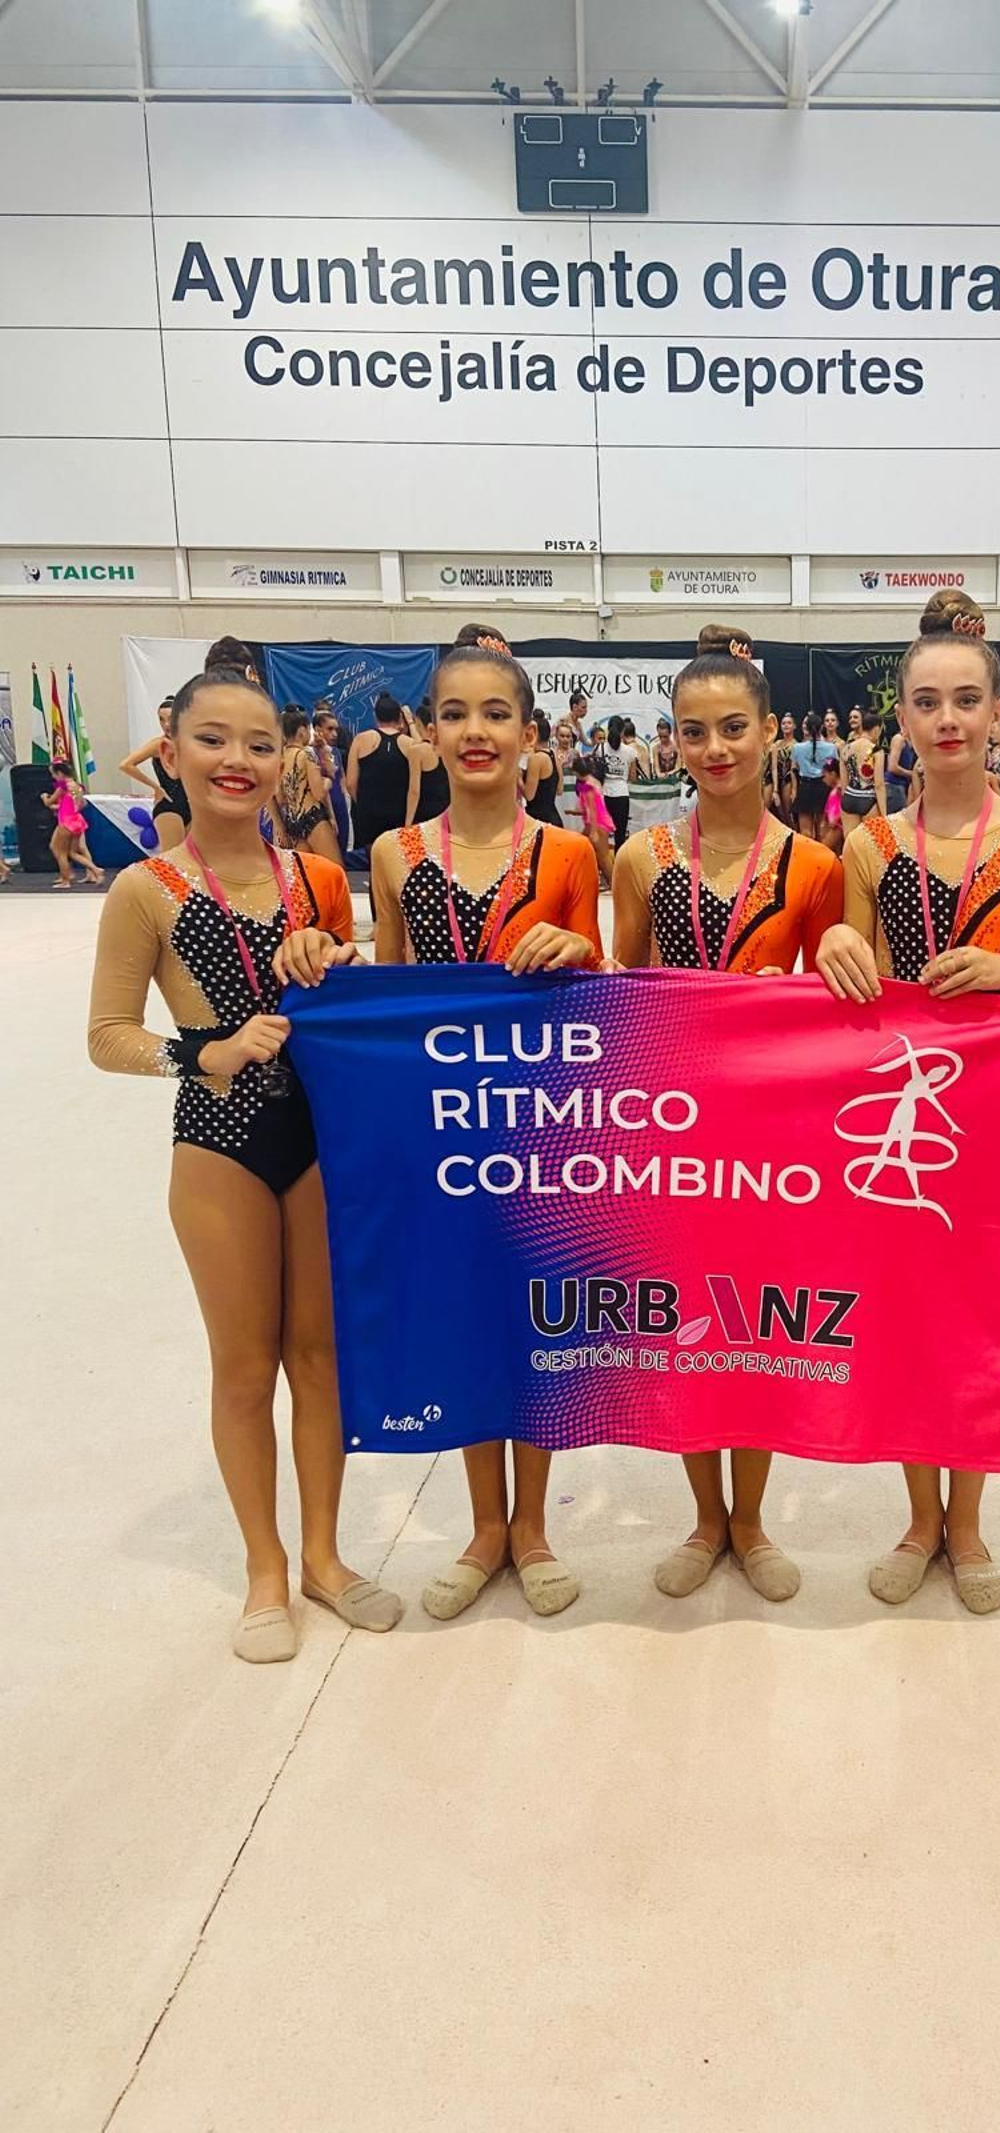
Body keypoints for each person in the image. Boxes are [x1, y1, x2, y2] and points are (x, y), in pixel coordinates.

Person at [283, 644, 601, 1625]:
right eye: (454, 714)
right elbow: (396, 987)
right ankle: (484, 1527)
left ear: (527, 735)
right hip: (444, 1128)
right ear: (428, 730)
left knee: (537, 1321)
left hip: (544, 1122)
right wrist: (325, 959)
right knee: (466, 1313)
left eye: (496, 714)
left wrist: (583, 948)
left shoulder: (569, 855)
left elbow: (606, 991)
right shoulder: (394, 854)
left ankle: (535, 1526)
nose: (475, 732)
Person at [87, 667, 400, 1662]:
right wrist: (200, 1050)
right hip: (218, 1142)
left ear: (286, 760)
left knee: (320, 1358)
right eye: (214, 740)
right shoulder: (146, 888)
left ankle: (323, 1555)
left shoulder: (314, 875)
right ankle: (263, 1568)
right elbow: (105, 1034)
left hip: (318, 1137)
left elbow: (345, 996)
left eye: (259, 744)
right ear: (171, 751)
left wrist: (341, 962)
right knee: (242, 1367)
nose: (237, 761)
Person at [815, 589, 1000, 1617]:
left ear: (996, 716)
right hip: (896, 1113)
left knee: (979, 1317)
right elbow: (844, 982)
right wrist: (836, 943)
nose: (945, 720)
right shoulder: (866, 846)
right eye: (926, 702)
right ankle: (917, 1515)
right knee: (900, 1313)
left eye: (965, 701)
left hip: (997, 1117)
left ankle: (967, 1519)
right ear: (901, 720)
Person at [612, 633, 843, 1606]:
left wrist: (836, 942)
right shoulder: (638, 856)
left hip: (766, 1132)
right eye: (694, 731)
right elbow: (616, 986)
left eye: (734, 729)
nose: (715, 748)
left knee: (754, 1329)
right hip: (670, 1126)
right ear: (674, 742)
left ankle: (751, 1520)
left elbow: (836, 993)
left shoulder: (814, 864)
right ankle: (704, 1518)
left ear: (769, 734)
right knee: (679, 1328)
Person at [347, 692, 420, 860]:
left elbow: (350, 783)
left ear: (375, 715)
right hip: (399, 813)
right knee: (397, 863)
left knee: (375, 861)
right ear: (399, 717)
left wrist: (364, 803)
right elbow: (426, 751)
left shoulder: (361, 740)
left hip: (369, 812)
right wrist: (410, 722)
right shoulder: (410, 744)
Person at [274, 708, 343, 868]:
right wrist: (327, 781)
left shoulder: (280, 757)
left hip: (293, 822)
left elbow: (279, 798)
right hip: (312, 818)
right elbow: (318, 793)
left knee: (304, 876)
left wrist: (279, 825)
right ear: (302, 730)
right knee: (335, 871)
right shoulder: (306, 755)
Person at [119, 698, 189, 852]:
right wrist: (155, 786)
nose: (165, 724)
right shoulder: (159, 744)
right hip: (169, 805)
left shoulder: (190, 744)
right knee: (173, 860)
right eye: (161, 719)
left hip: (192, 805)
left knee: (192, 860)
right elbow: (125, 765)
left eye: (170, 719)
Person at [47, 759, 105, 887]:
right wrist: (64, 808)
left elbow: (49, 802)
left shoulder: (63, 786)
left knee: (61, 852)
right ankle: (96, 870)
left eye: (54, 774)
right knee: (72, 853)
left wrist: (44, 797)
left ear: (60, 773)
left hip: (66, 822)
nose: (53, 777)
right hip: (76, 820)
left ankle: (65, 880)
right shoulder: (76, 786)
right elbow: (81, 804)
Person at [792, 709, 839, 842]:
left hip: (805, 787)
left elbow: (795, 767)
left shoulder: (797, 748)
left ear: (805, 728)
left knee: (805, 833)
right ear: (822, 727)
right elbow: (833, 769)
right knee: (822, 831)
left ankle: (807, 860)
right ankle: (823, 861)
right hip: (823, 788)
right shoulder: (831, 748)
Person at [312, 707, 350, 851]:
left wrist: (346, 799)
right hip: (322, 807)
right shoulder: (311, 753)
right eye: (330, 729)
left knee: (342, 846)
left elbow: (341, 778)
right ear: (318, 729)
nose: (334, 734)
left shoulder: (336, 752)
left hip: (339, 804)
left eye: (336, 730)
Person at [574, 753, 616, 885]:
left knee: (603, 856)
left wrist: (593, 831)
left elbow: (592, 809)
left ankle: (614, 883)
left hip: (598, 823)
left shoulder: (588, 785)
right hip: (595, 822)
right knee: (584, 852)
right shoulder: (593, 781)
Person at [409, 698, 450, 824]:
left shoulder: (417, 751)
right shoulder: (445, 745)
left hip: (426, 812)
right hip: (446, 809)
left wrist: (408, 822)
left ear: (419, 723)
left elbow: (414, 791)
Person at [521, 709, 563, 828]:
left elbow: (529, 795)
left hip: (539, 822)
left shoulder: (537, 758)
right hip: (553, 818)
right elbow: (559, 790)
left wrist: (518, 778)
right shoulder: (553, 753)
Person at [840, 707, 882, 825]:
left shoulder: (846, 749)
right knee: (870, 842)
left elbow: (844, 782)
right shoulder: (876, 750)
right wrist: (884, 814)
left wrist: (845, 802)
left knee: (849, 842)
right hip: (868, 798)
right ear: (877, 729)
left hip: (849, 797)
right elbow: (879, 785)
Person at [601, 715, 637, 845]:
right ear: (623, 731)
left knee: (602, 833)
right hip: (621, 793)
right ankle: (618, 863)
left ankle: (601, 864)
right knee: (620, 834)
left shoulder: (600, 749)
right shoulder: (630, 752)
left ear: (608, 729)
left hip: (603, 793)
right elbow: (633, 777)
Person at [882, 717, 917, 815]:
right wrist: (911, 774)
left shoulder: (910, 742)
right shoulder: (899, 739)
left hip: (900, 787)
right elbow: (892, 767)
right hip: (893, 787)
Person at [653, 715, 679, 780]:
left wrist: (668, 774)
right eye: (660, 736)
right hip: (660, 780)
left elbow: (678, 767)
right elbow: (656, 768)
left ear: (670, 733)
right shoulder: (656, 748)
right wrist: (659, 775)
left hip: (674, 779)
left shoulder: (677, 747)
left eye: (665, 736)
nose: (662, 739)